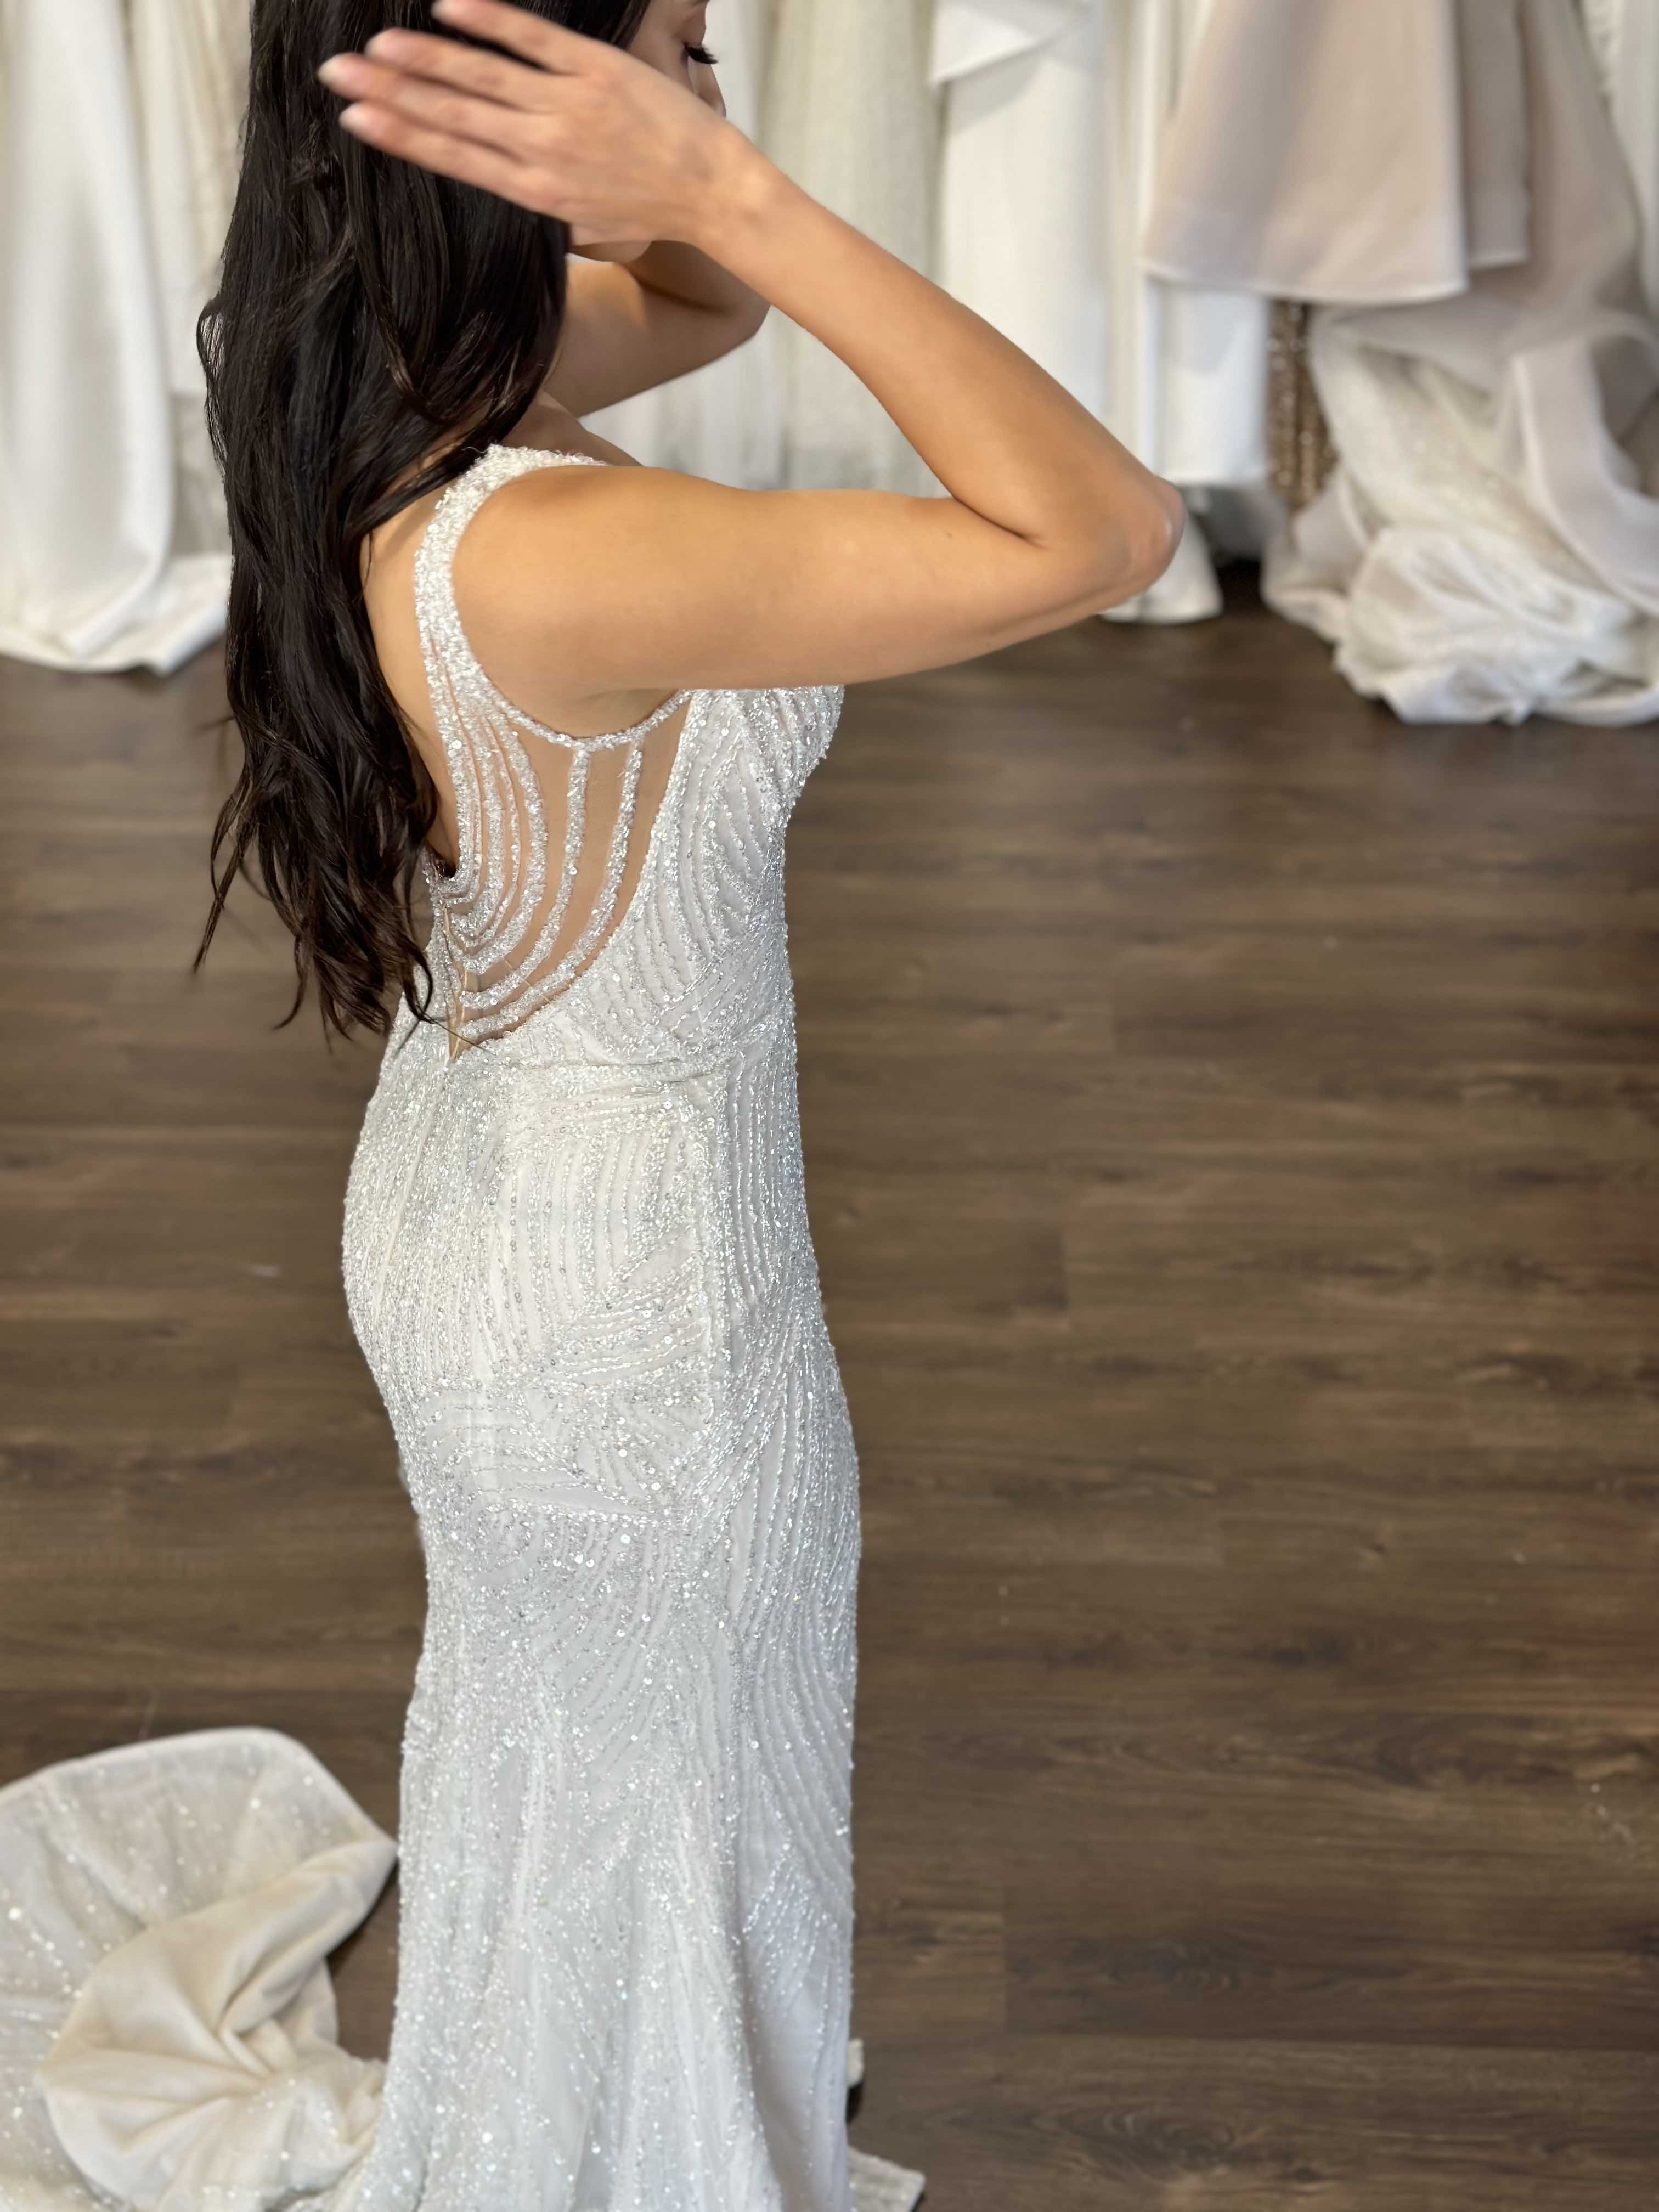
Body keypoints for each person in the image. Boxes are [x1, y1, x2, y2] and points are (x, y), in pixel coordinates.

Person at [13, 4, 1181, 2209]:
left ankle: (547, 2122)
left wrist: (694, 203)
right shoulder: (563, 550)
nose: (702, 102)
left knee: (574, 1755)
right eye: (662, 56)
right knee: (679, 1766)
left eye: (710, 62)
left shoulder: (380, 385)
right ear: (512, 105)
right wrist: (735, 188)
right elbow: (1104, 530)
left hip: (479, 1201)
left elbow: (704, 309)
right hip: (635, 1299)